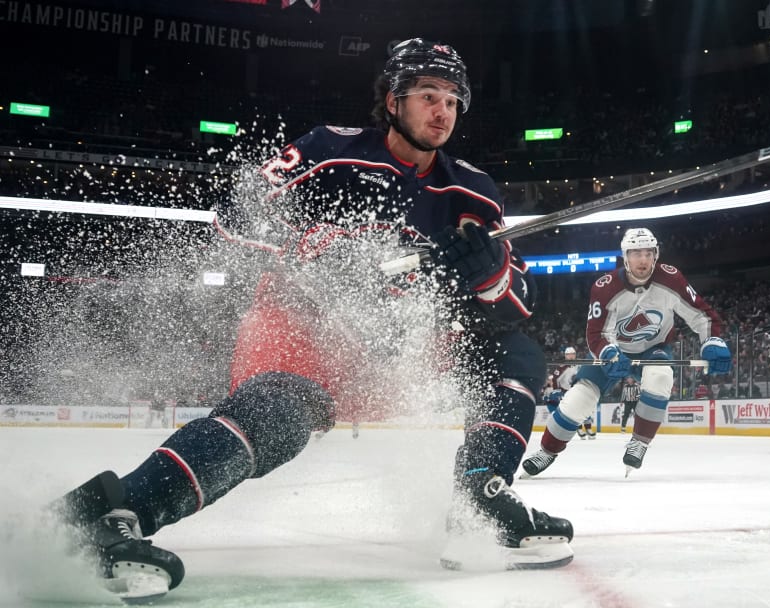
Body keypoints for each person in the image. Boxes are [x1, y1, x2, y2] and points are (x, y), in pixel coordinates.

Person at [51, 38, 573, 602]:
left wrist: (489, 273)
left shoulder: (473, 190)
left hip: (397, 355)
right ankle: (112, 514)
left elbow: (520, 298)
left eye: (451, 98)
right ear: (393, 101)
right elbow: (235, 211)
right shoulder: (329, 149)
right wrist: (318, 250)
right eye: (427, 95)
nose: (442, 110)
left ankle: (481, 496)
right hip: (299, 330)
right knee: (278, 418)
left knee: (513, 349)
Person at [520, 228, 731, 478]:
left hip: (654, 349)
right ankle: (547, 450)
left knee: (661, 377)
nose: (643, 260)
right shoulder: (605, 287)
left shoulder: (672, 279)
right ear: (625, 256)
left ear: (656, 255)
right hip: (614, 350)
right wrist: (609, 353)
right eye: (636, 253)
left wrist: (713, 341)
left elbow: (701, 315)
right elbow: (596, 334)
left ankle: (639, 443)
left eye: (648, 253)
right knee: (580, 397)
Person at [553, 346, 592, 438]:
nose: (571, 356)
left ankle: (588, 427)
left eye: (572, 354)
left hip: (580, 389)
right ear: (565, 355)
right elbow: (555, 379)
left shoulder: (580, 363)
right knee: (575, 411)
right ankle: (579, 428)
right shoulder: (562, 366)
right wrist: (557, 390)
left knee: (586, 409)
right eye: (568, 354)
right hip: (568, 392)